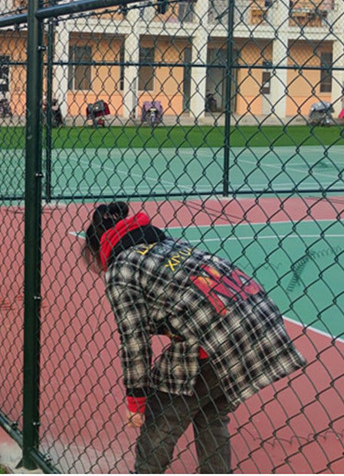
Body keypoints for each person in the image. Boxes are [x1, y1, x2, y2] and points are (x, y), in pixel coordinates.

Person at [84, 201, 305, 473]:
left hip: (216, 336)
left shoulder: (121, 268)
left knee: (161, 420)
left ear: (99, 247)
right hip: (256, 315)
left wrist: (136, 399)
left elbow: (134, 339)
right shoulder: (166, 245)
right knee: (211, 413)